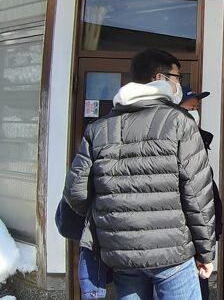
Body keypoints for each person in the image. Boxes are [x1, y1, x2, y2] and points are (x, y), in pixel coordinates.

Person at [64, 49, 216, 300]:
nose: (179, 84)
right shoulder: (179, 122)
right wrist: (205, 253)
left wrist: (112, 218)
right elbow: (197, 196)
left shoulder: (98, 128)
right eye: (177, 77)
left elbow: (75, 192)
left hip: (122, 255)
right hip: (172, 253)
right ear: (160, 77)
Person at [179, 86, 224, 300]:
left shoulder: (200, 139)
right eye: (190, 108)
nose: (195, 112)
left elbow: (206, 190)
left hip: (197, 234)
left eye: (197, 107)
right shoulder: (172, 143)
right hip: (181, 236)